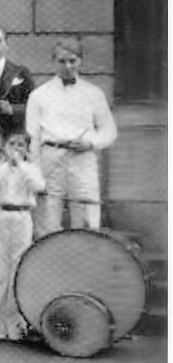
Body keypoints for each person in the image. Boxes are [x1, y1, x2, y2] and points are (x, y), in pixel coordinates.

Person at [25, 38, 117, 238]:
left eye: (72, 61)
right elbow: (31, 137)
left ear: (80, 61)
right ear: (53, 62)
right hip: (51, 157)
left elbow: (109, 131)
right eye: (62, 61)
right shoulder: (39, 95)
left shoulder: (93, 94)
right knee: (47, 217)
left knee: (86, 216)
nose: (67, 66)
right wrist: (35, 173)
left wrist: (90, 142)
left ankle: (85, 262)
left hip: (82, 159)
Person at [0, 129, 45, 342]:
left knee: (17, 268)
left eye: (21, 145)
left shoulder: (31, 169)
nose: (16, 149)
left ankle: (15, 323)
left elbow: (39, 186)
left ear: (27, 150)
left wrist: (20, 166)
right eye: (12, 144)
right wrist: (5, 166)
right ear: (5, 146)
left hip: (21, 216)